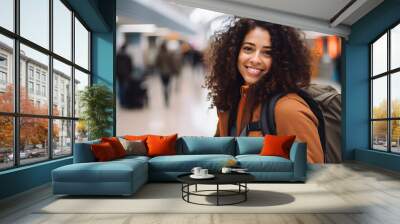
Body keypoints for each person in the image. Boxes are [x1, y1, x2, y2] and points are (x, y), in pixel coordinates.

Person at [204, 18, 324, 163]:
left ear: (281, 60)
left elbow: (311, 174)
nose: (255, 59)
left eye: (267, 53)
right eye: (248, 49)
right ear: (234, 52)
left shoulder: (288, 110)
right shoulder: (231, 101)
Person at [156, 41, 174, 107]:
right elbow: (172, 63)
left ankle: (165, 94)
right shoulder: (169, 54)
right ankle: (167, 93)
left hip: (162, 72)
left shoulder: (159, 54)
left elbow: (156, 63)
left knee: (163, 85)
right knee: (168, 84)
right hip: (168, 72)